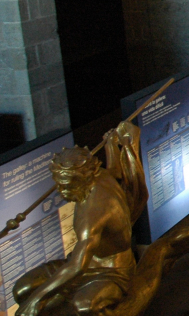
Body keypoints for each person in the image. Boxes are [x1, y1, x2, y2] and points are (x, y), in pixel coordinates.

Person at [13, 124, 146, 316]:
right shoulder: (99, 176)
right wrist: (111, 145)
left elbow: (77, 266)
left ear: (84, 179)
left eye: (67, 185)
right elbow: (116, 172)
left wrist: (36, 299)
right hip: (85, 261)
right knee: (22, 289)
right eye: (59, 184)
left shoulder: (94, 213)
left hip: (111, 269)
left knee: (83, 306)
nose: (62, 191)